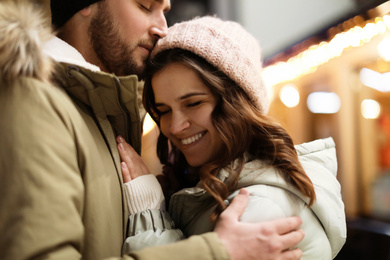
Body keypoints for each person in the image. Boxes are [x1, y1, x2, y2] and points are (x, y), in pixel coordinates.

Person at [0, 1, 305, 260]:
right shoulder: (32, 98)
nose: (162, 27)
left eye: (164, 9)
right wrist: (213, 252)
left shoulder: (101, 107)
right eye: (146, 5)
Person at [118, 16, 347, 259]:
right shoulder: (210, 185)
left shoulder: (259, 206)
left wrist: (150, 215)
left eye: (194, 103)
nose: (174, 127)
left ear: (236, 103)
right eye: (164, 111)